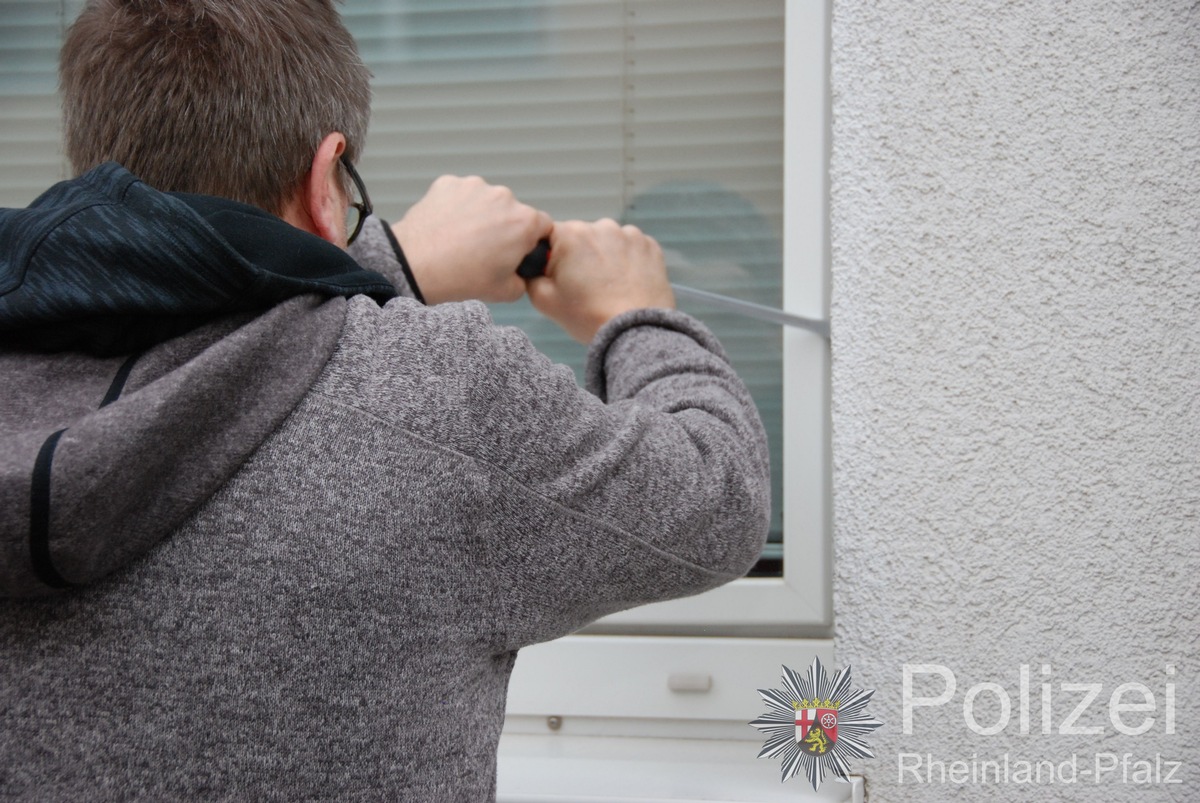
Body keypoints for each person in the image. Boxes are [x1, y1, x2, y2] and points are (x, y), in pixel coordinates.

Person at [0, 0, 770, 799]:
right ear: (327, 176)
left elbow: (209, 349)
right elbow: (720, 495)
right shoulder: (439, 394)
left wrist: (388, 259)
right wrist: (635, 313)